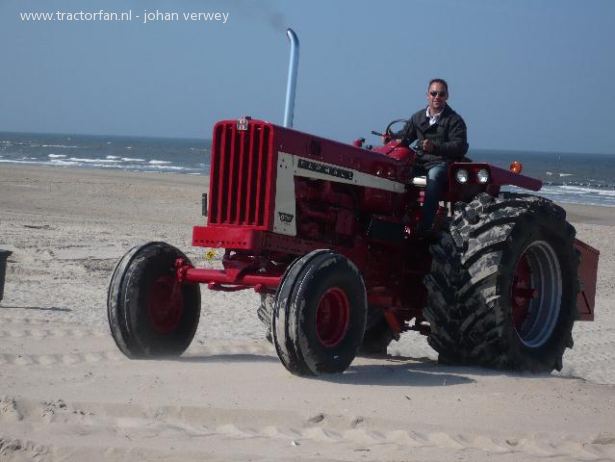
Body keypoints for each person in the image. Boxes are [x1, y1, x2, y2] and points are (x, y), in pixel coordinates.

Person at [395, 78, 468, 235]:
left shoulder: (454, 120)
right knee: (397, 173)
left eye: (441, 94)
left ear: (447, 96)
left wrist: (435, 147)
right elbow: (405, 136)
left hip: (441, 163)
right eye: (433, 93)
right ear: (427, 95)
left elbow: (459, 146)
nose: (437, 97)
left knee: (434, 178)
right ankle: (398, 218)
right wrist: (392, 138)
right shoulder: (418, 117)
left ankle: (425, 225)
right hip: (419, 162)